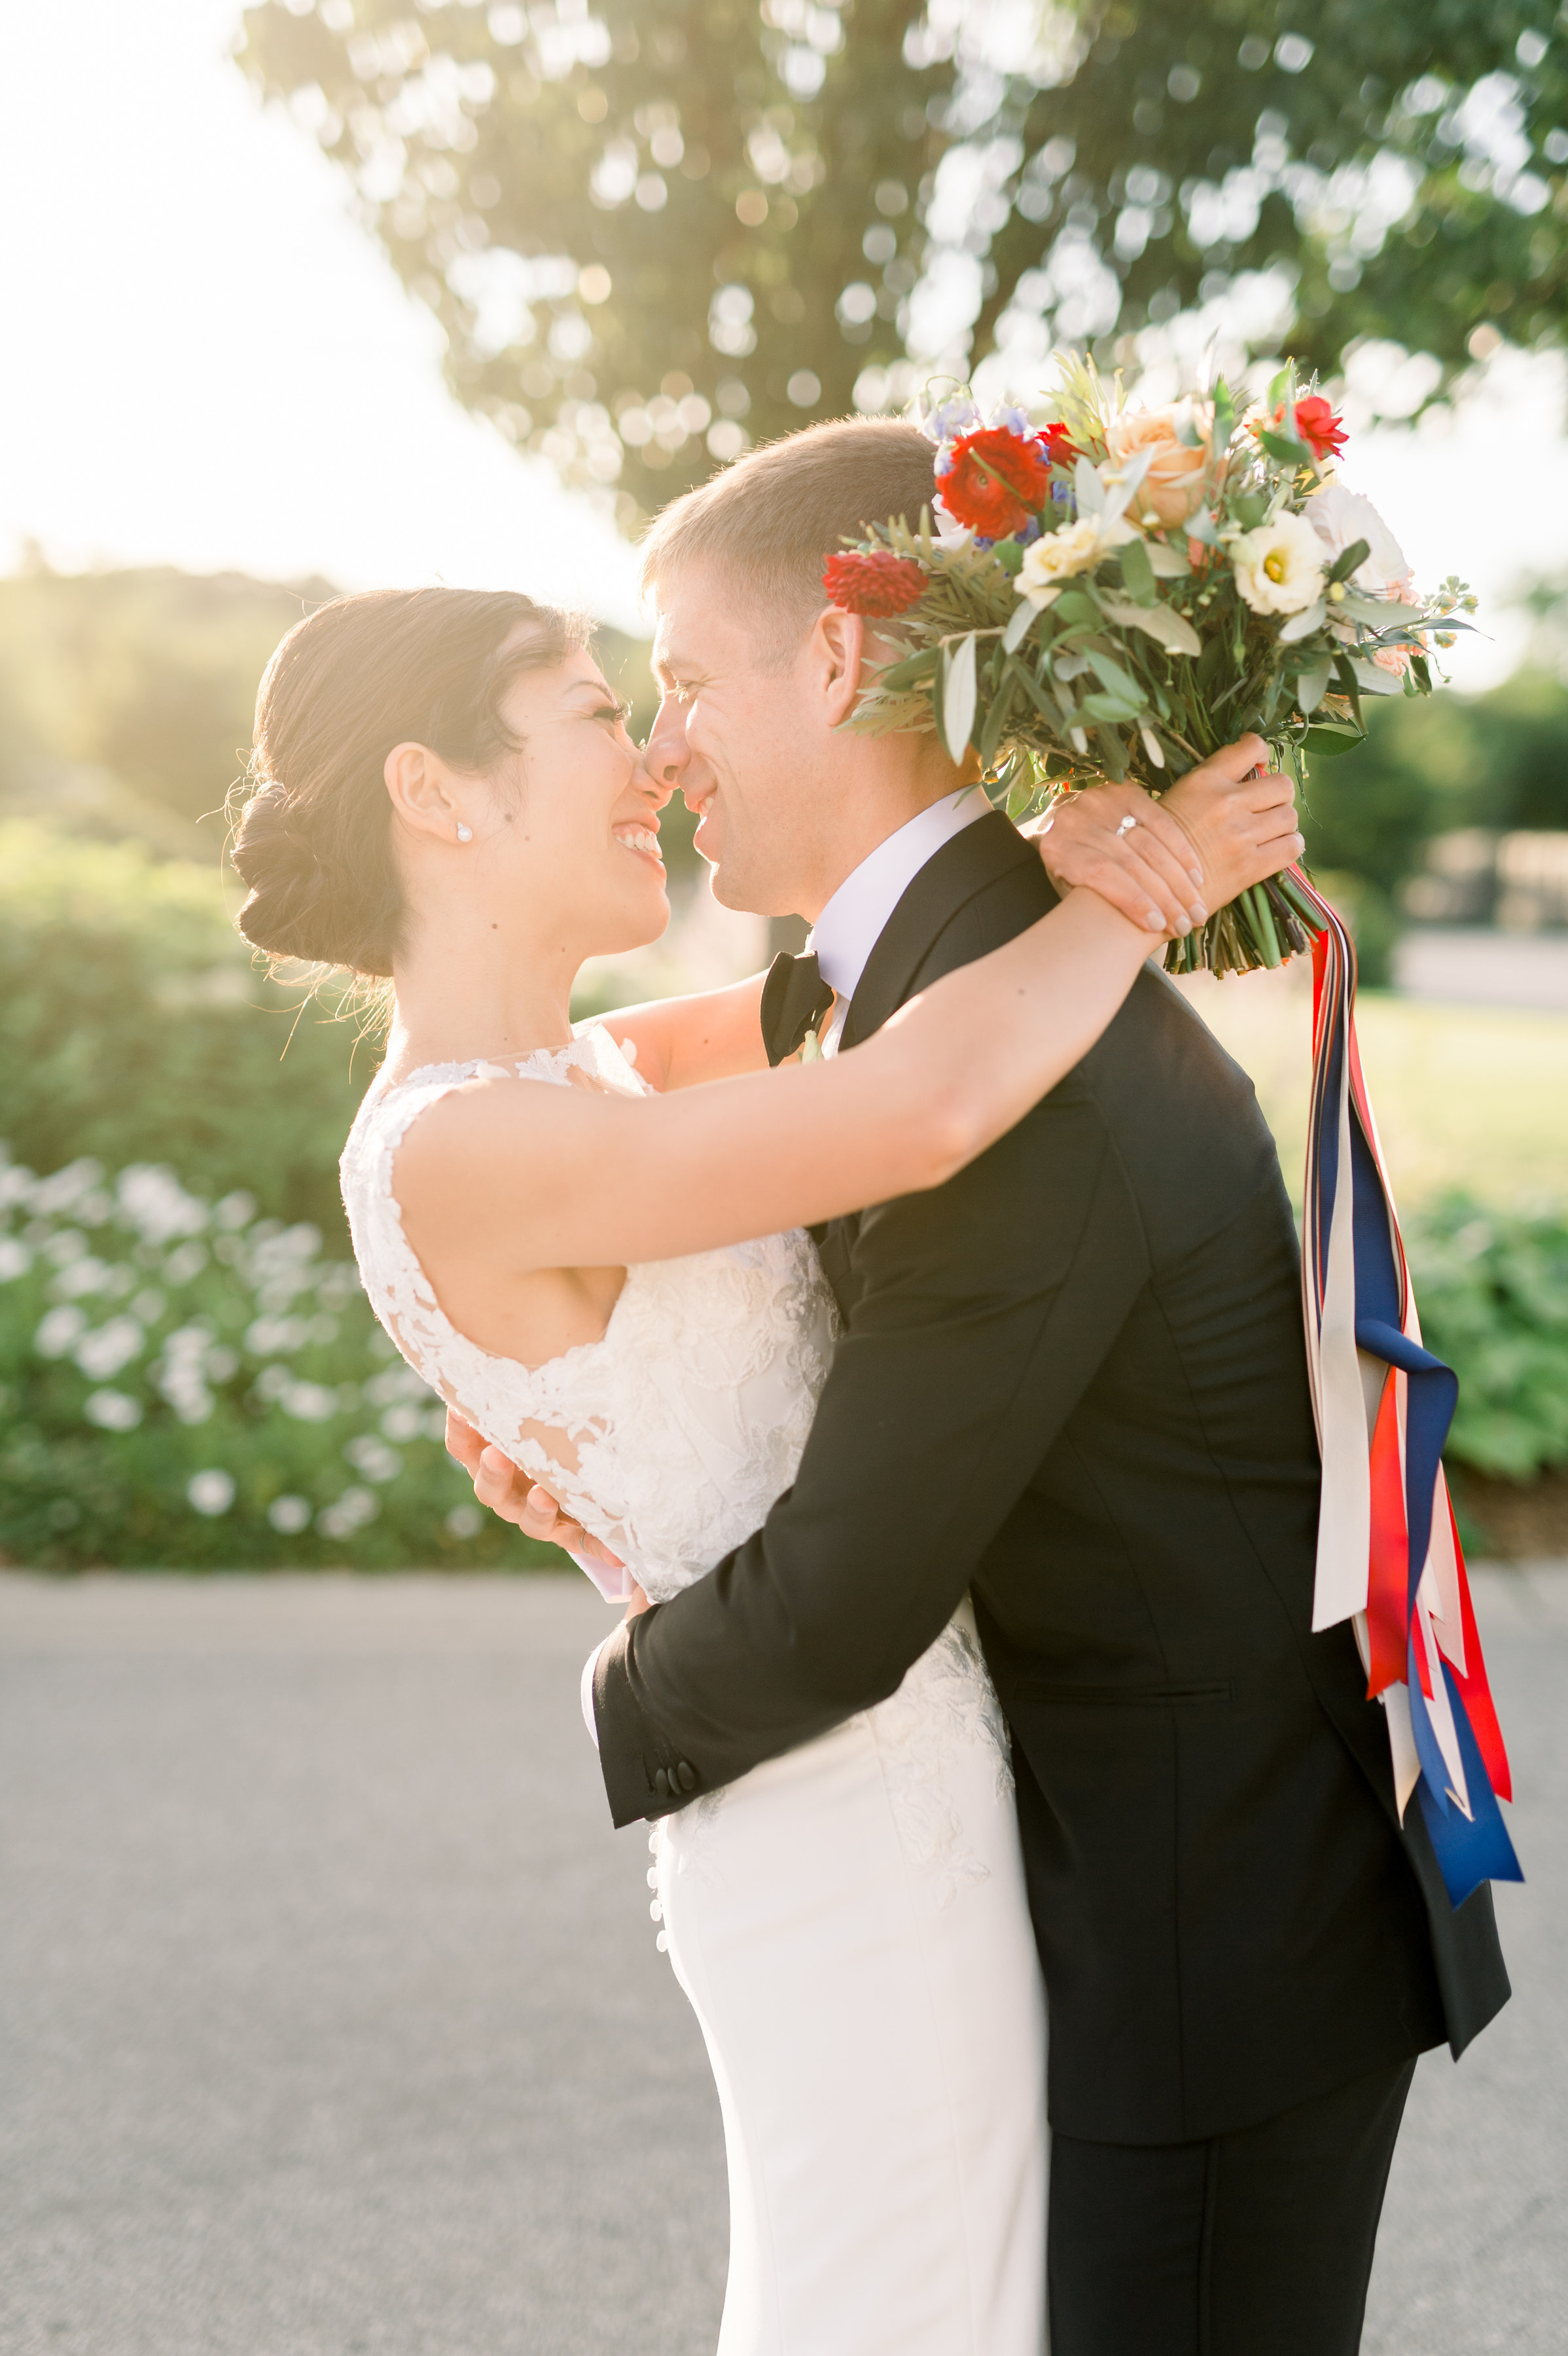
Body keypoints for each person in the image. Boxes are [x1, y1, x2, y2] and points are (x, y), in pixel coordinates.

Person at [453, 418, 1511, 2356]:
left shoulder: (1008, 1061)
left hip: (1199, 1956)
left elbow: (847, 1596)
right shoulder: (954, 968)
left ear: (840, 664)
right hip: (1100, 1900)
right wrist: (603, 1432)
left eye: (682, 679)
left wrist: (615, 1683)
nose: (662, 743)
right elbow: (764, 1095)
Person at [229, 564, 1300, 2356]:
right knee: (899, 2306)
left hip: (908, 1772)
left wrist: (1049, 846)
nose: (648, 753)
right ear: (438, 793)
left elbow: (865, 994)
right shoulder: (452, 1147)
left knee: (945, 2297)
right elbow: (920, 1105)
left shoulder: (578, 1073)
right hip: (835, 1820)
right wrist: (1144, 885)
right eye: (590, 712)